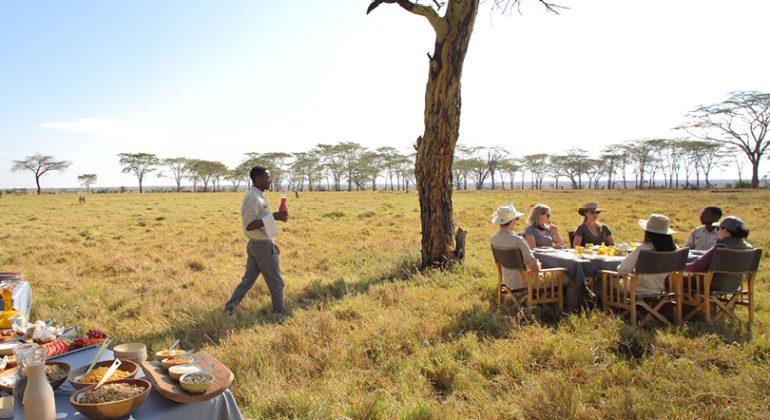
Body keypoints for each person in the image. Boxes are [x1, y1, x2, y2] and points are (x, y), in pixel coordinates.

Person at [224, 166, 289, 316]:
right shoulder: (254, 197)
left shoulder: (257, 195)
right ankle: (280, 314)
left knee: (247, 281)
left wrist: (272, 239)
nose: (270, 180)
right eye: (267, 177)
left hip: (257, 244)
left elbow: (260, 222)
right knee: (277, 283)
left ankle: (229, 309)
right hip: (261, 247)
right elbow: (250, 224)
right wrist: (274, 216)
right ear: (258, 179)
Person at [685, 216, 753, 292]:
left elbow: (695, 267)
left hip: (710, 285)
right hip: (734, 285)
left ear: (726, 231)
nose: (718, 231)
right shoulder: (748, 247)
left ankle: (683, 302)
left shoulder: (721, 247)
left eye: (718, 228)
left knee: (671, 279)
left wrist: (677, 266)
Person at [617, 214, 677, 293]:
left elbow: (623, 269)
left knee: (605, 281)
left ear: (648, 232)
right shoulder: (674, 249)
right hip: (662, 287)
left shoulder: (644, 248)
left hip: (638, 287)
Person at [489, 204, 540, 291]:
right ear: (512, 220)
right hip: (526, 281)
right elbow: (535, 267)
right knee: (564, 277)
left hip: (508, 281)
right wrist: (538, 263)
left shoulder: (493, 239)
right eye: (516, 218)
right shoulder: (518, 241)